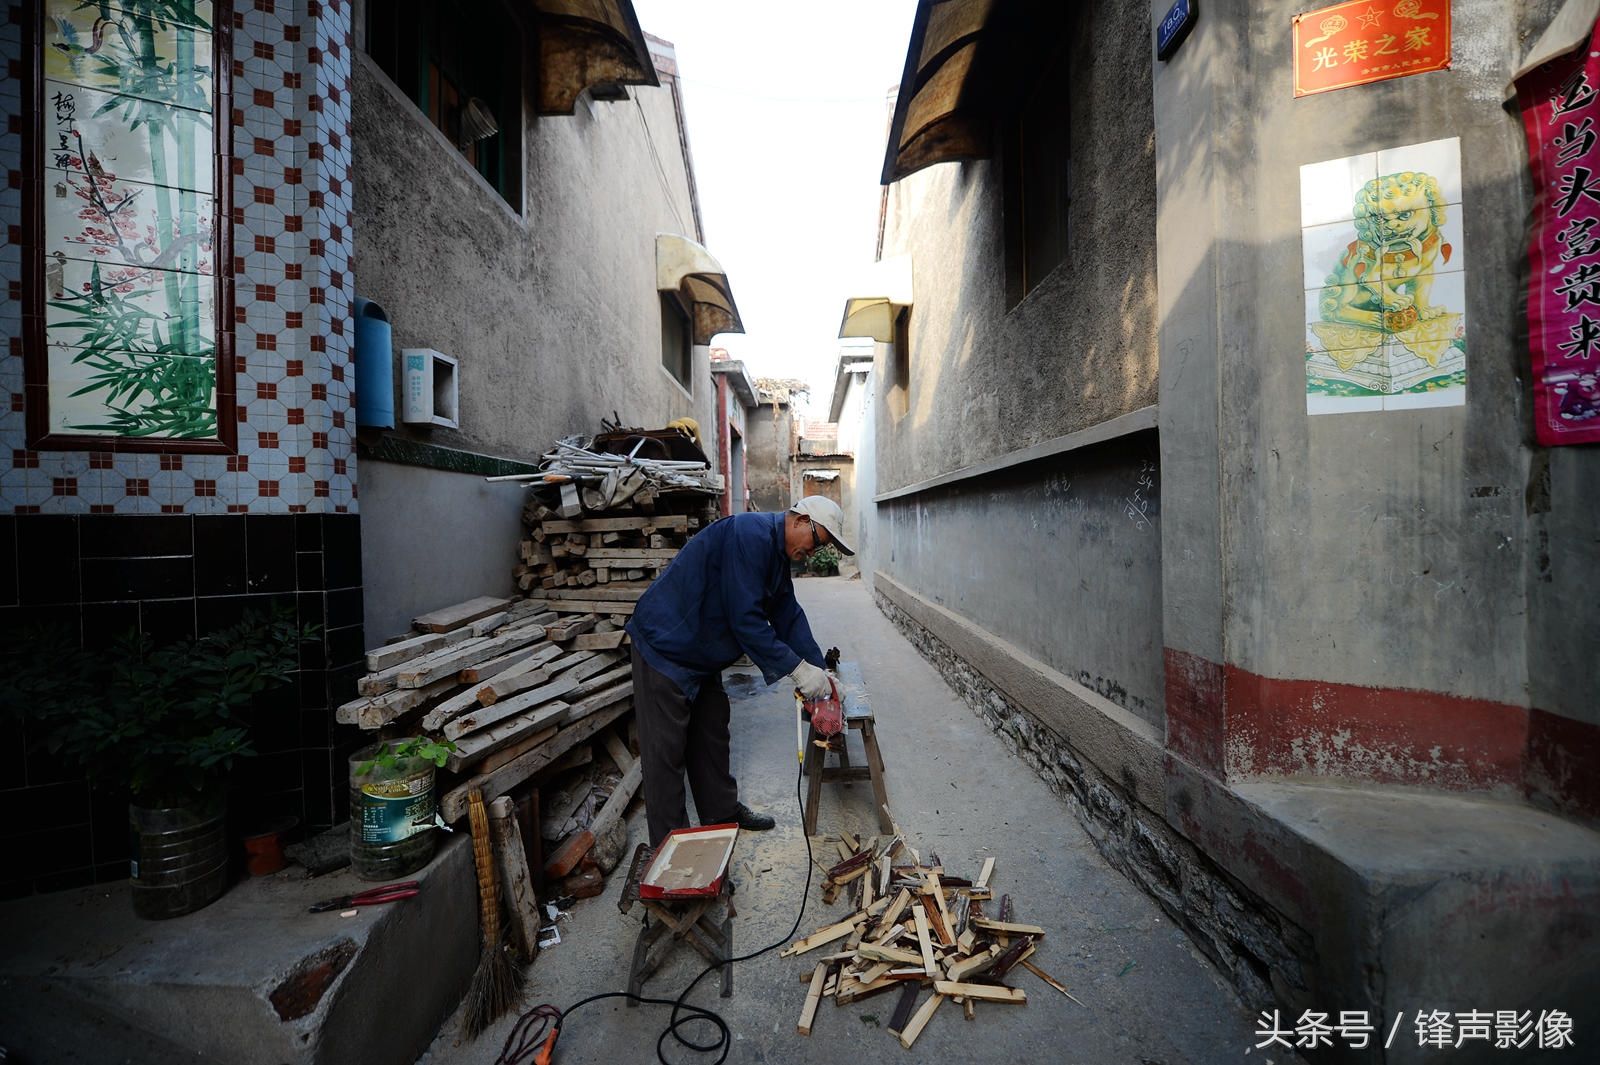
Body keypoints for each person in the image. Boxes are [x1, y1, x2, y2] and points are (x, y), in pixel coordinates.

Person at [625, 496, 854, 847]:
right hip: (666, 647)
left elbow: (787, 614)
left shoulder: (776, 554)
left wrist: (819, 670)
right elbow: (745, 621)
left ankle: (721, 812)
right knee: (666, 758)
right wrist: (797, 671)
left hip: (700, 653)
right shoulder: (750, 535)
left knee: (712, 733)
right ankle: (672, 859)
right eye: (817, 541)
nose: (814, 552)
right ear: (799, 520)